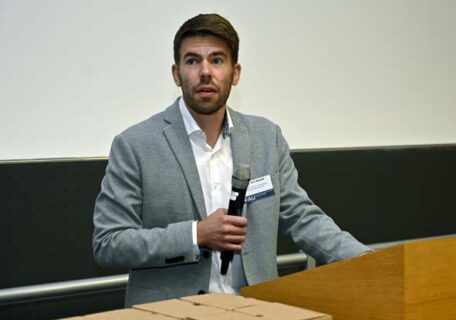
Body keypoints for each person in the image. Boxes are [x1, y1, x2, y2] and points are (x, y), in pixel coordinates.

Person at [92, 13, 371, 307]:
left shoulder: (266, 137)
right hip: (171, 312)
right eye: (192, 61)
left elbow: (303, 218)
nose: (205, 72)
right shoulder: (135, 145)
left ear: (235, 73)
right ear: (176, 74)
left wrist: (363, 259)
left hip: (256, 309)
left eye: (216, 60)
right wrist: (196, 234)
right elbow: (109, 243)